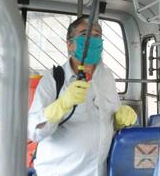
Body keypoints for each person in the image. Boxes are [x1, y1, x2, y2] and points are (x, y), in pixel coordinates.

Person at [28, 16, 137, 176]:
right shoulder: (53, 79)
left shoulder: (107, 77)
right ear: (70, 45)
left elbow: (107, 123)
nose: (92, 39)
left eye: (97, 35)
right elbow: (33, 131)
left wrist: (119, 122)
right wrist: (62, 105)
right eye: (85, 34)